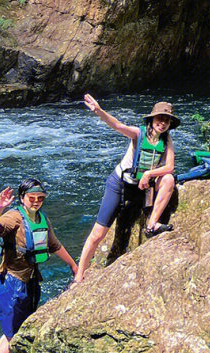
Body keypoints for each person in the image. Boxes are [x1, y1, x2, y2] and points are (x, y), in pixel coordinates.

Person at [74, 94, 179, 283]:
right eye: (159, 119)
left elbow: (169, 167)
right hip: (120, 184)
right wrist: (99, 111)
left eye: (166, 121)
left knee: (169, 179)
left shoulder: (167, 141)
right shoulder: (138, 134)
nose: (162, 124)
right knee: (99, 233)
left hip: (143, 186)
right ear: (152, 119)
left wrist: (149, 174)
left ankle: (152, 224)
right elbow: (117, 126)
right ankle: (79, 275)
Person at [0, 177, 77, 353]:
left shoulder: (42, 219)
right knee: (11, 332)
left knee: (19, 327)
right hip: (12, 282)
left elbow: (54, 245)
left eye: (40, 198)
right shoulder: (14, 217)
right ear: (22, 198)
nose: (36, 201)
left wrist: (74, 266)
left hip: (32, 280)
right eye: (32, 197)